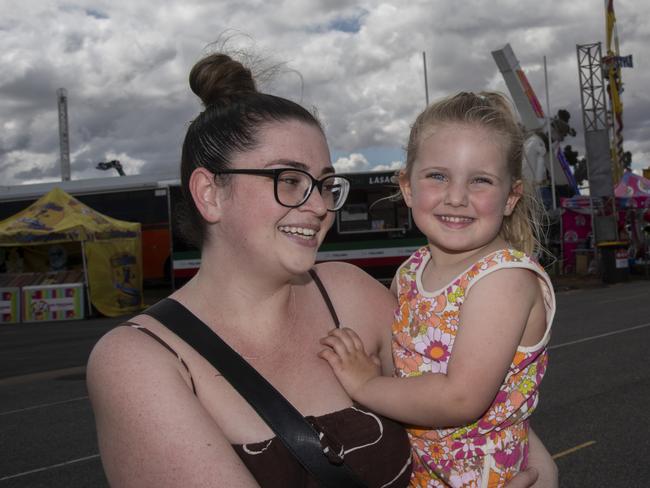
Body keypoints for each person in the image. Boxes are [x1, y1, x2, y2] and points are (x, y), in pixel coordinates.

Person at [87, 53, 554, 487]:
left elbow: (499, 422)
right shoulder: (139, 361)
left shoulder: (351, 295)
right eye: (289, 180)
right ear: (210, 193)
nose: (318, 206)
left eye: (326, 184)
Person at [320, 92, 557, 487]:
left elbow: (461, 398)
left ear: (511, 196)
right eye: (438, 176)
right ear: (408, 187)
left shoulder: (502, 280)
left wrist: (365, 384)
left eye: (480, 180)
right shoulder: (411, 272)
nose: (456, 197)